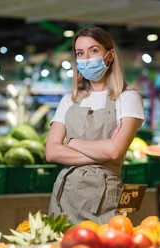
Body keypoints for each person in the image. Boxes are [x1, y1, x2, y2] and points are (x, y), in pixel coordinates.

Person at [45, 26, 144, 225]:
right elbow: (51, 152)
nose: (87, 58)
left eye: (94, 50)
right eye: (80, 53)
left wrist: (69, 141)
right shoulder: (69, 100)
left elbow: (115, 151)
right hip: (64, 195)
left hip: (103, 197)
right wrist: (102, 152)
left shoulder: (128, 98)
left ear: (110, 55)